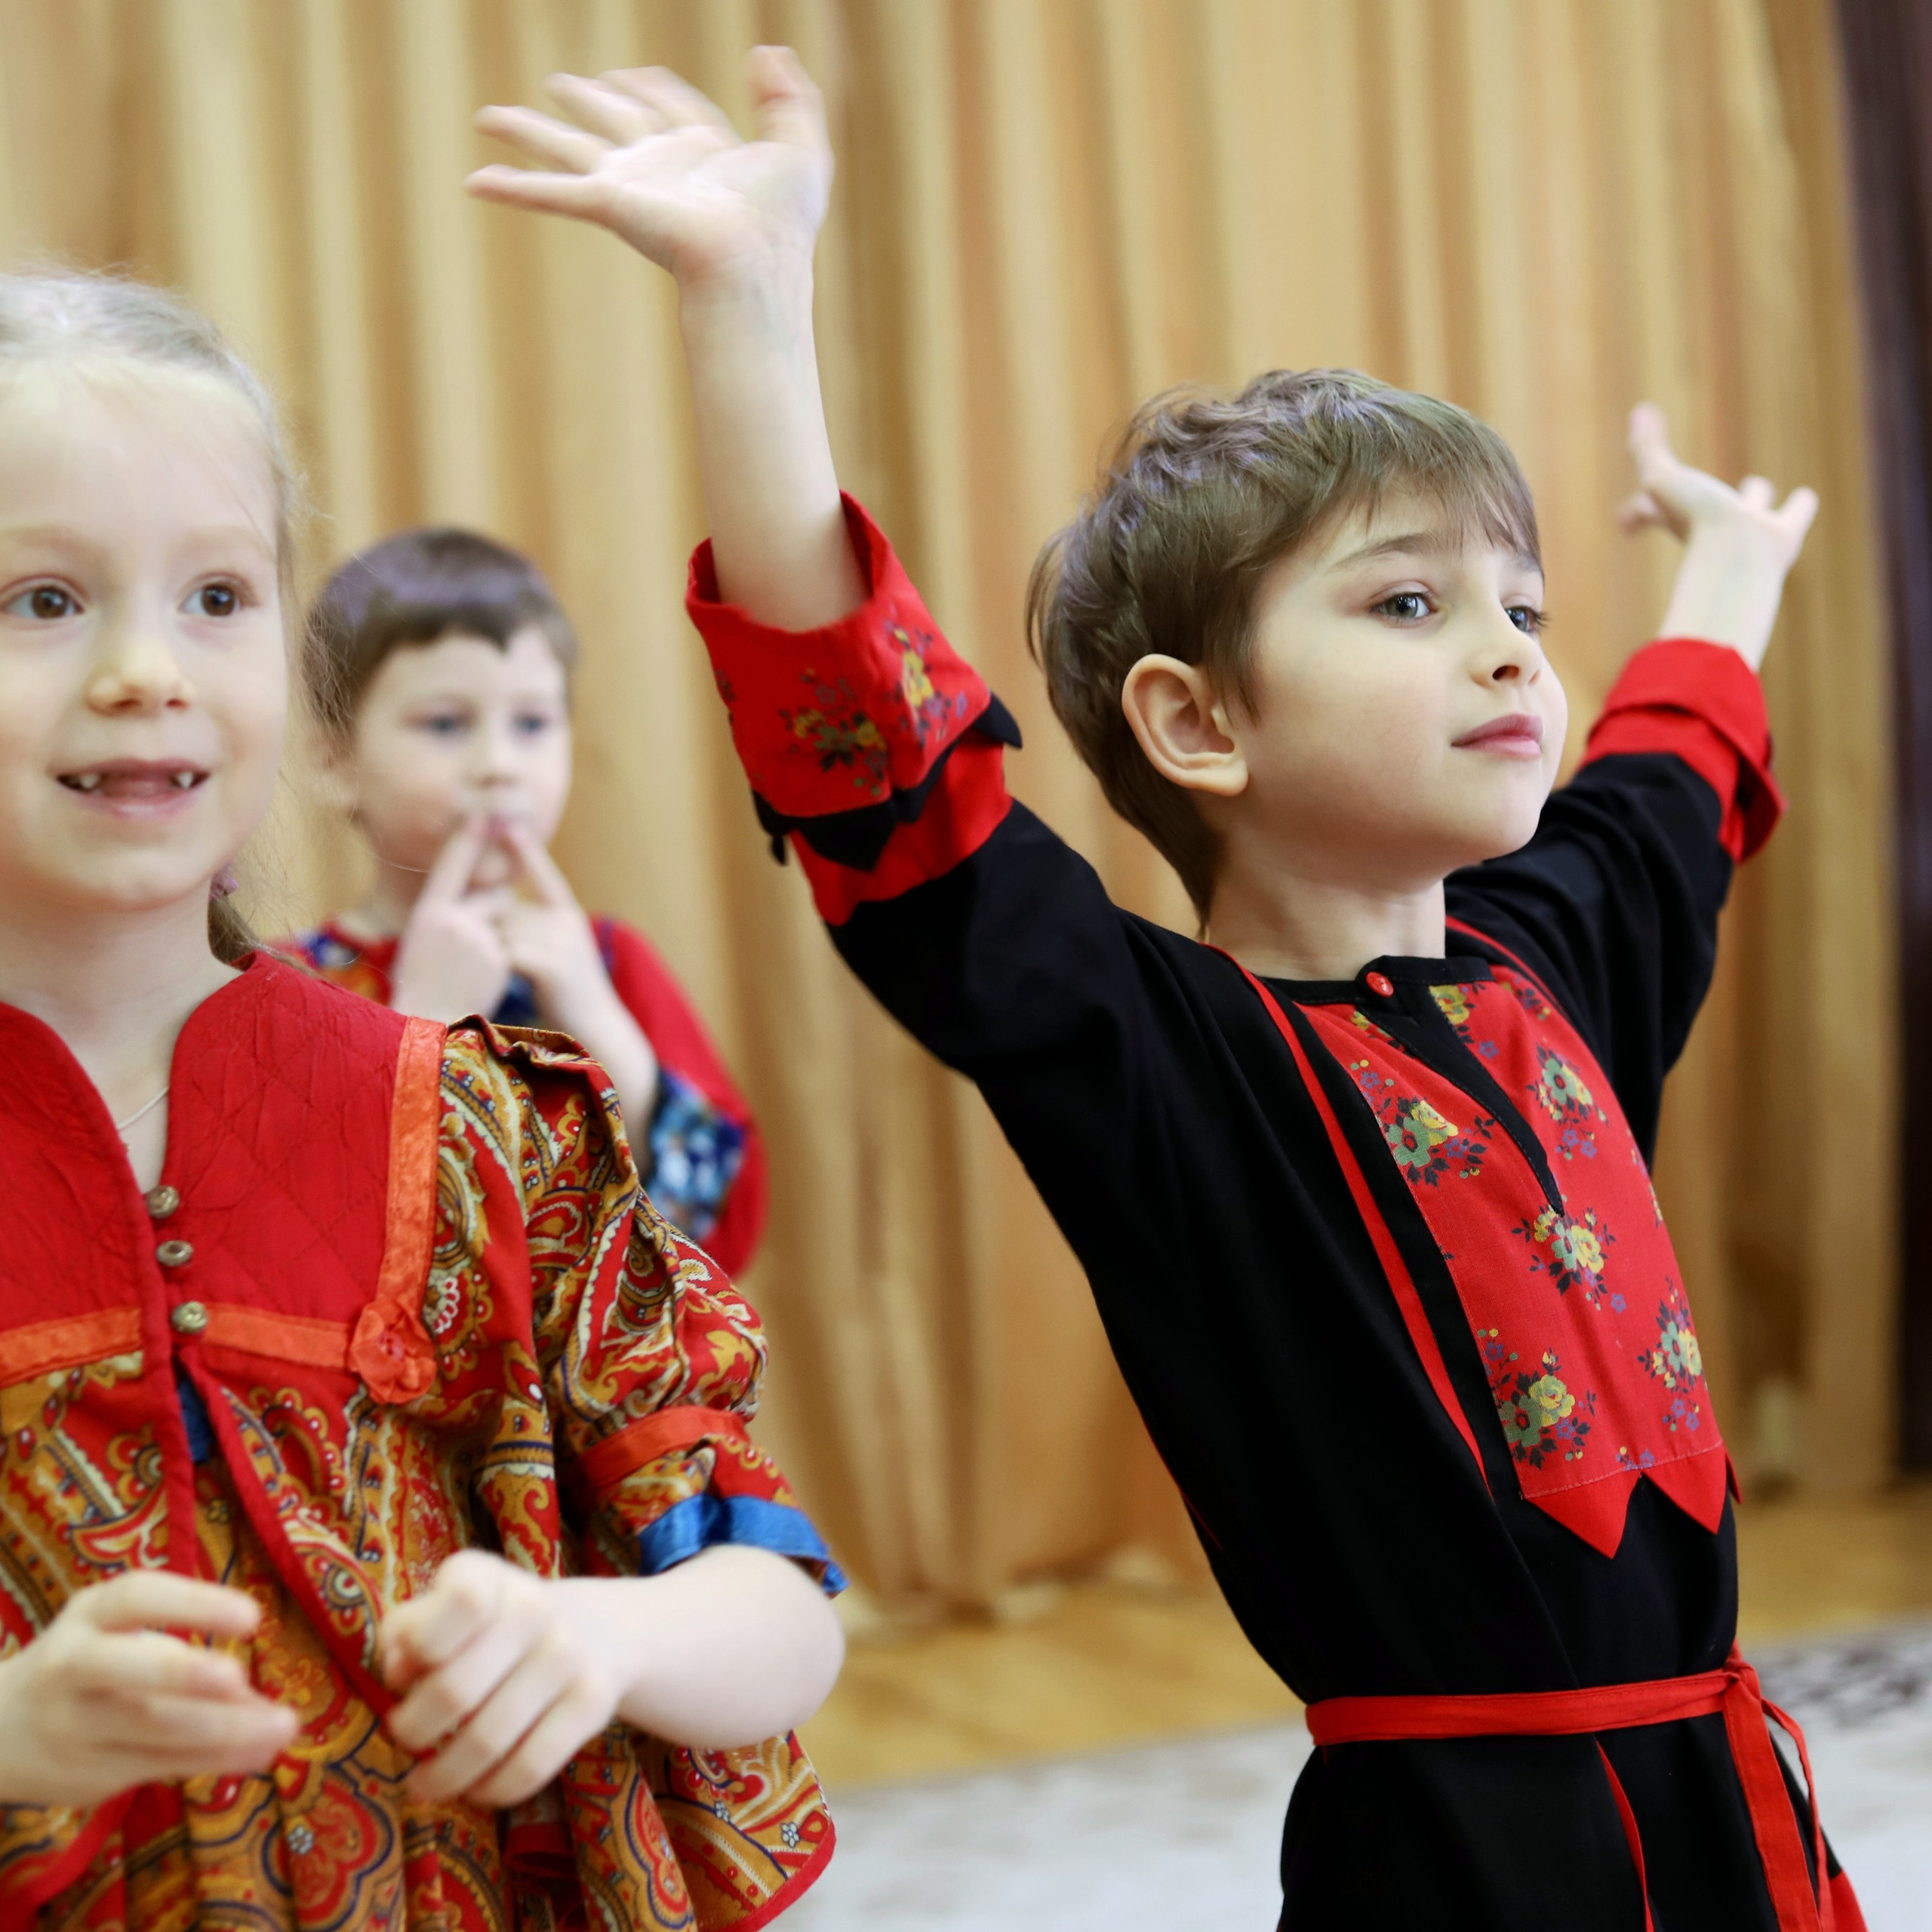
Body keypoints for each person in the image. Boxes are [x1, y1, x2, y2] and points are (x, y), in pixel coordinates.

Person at [466, 48, 1864, 1932]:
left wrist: (1728, 561)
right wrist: (749, 304)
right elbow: (885, 775)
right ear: (1194, 721)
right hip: (1447, 1859)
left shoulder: (1557, 945)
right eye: (1406, 604)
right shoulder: (1160, 1058)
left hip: (1729, 1808)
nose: (1507, 651)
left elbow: (1669, 771)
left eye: (1521, 607)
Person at [0, 270, 842, 1930]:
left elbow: (777, 1608)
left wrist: (609, 1634)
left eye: (221, 594)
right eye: (39, 598)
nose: (143, 669)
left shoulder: (483, 1120)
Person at [285, 528, 767, 1278]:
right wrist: (417, 1023)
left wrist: (594, 1010)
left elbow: (722, 1236)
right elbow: (298, 1248)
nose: (499, 764)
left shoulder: (606, 959)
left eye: (532, 723)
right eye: (445, 724)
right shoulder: (289, 990)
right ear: (336, 761)